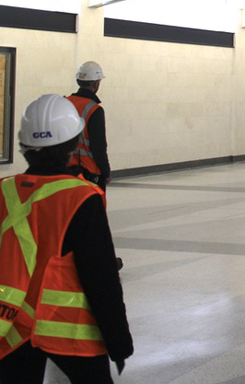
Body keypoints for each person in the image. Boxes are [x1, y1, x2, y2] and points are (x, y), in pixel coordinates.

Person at [0, 94, 133, 384]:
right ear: (73, 143)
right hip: (69, 328)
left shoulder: (4, 190)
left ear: (23, 145)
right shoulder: (81, 197)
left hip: (11, 326)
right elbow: (101, 277)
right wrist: (118, 342)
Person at [66, 62, 111, 191]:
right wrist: (106, 172)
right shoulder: (94, 110)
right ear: (97, 84)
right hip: (88, 172)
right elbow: (99, 147)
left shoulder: (64, 103)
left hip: (64, 170)